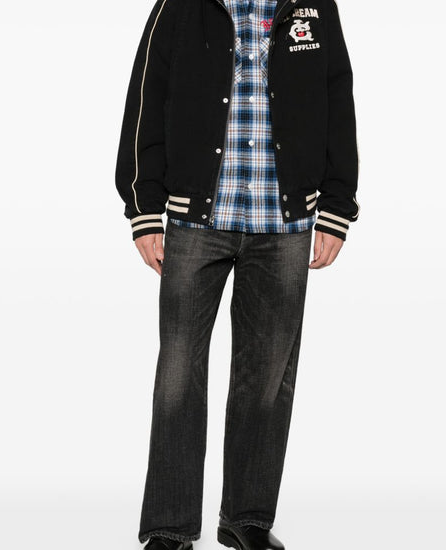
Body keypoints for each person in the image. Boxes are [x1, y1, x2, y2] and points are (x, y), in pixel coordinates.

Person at [115, 0, 360, 548]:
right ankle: (170, 526)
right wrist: (144, 208)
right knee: (179, 374)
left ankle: (246, 518)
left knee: (267, 377)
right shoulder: (181, 6)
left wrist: (337, 207)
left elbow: (337, 96)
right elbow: (146, 96)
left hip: (285, 221)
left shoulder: (313, 7)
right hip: (195, 217)